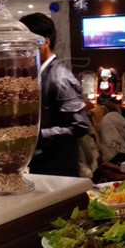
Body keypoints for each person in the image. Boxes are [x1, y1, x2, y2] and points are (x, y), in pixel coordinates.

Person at [19, 12, 90, 177]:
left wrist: (37, 135)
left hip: (58, 168)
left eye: (27, 44)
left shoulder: (60, 77)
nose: (23, 51)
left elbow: (80, 125)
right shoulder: (37, 73)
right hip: (40, 163)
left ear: (45, 42)